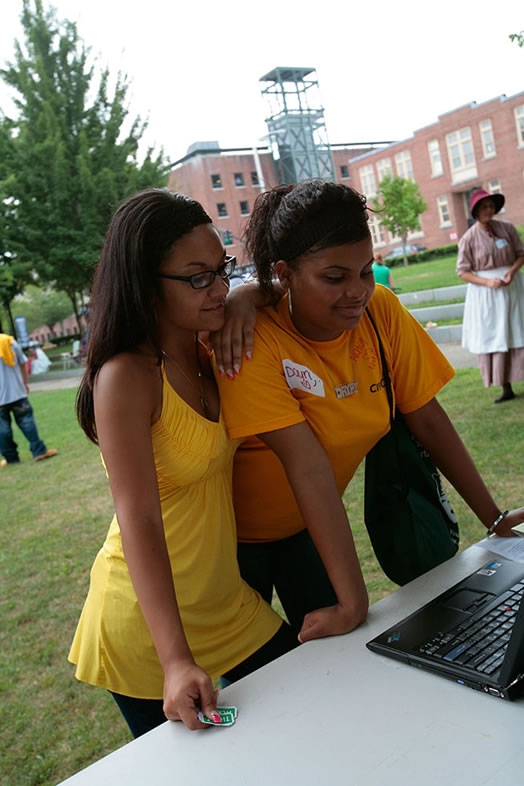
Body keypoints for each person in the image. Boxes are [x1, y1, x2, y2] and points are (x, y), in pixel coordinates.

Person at [214, 180, 524, 640]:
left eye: (365, 271)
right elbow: (308, 468)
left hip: (305, 529)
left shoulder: (380, 312)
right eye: (334, 278)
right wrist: (354, 602)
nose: (357, 291)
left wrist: (493, 518)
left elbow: (428, 418)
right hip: (229, 545)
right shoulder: (252, 339)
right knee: (246, 677)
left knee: (331, 664)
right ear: (285, 274)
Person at [68, 188, 299, 739]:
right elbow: (139, 518)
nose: (218, 287)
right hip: (148, 630)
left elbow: (283, 289)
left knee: (308, 711)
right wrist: (175, 660)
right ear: (146, 284)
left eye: (223, 269)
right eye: (198, 278)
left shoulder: (210, 343)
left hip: (225, 605)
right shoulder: (126, 376)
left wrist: (242, 296)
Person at [457, 188, 524, 403]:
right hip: (487, 294)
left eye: (491, 206)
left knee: (518, 329)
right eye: (485, 207)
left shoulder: (507, 228)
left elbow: (521, 254)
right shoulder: (468, 238)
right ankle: (505, 386)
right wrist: (487, 282)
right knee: (496, 334)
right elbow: (463, 272)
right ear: (476, 211)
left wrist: (512, 271)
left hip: (512, 287)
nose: (489, 210)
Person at [0, 320, 58, 466]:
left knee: (2, 430)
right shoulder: (10, 342)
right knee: (27, 422)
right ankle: (39, 451)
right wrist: (24, 383)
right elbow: (22, 363)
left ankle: (11, 458)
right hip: (17, 392)